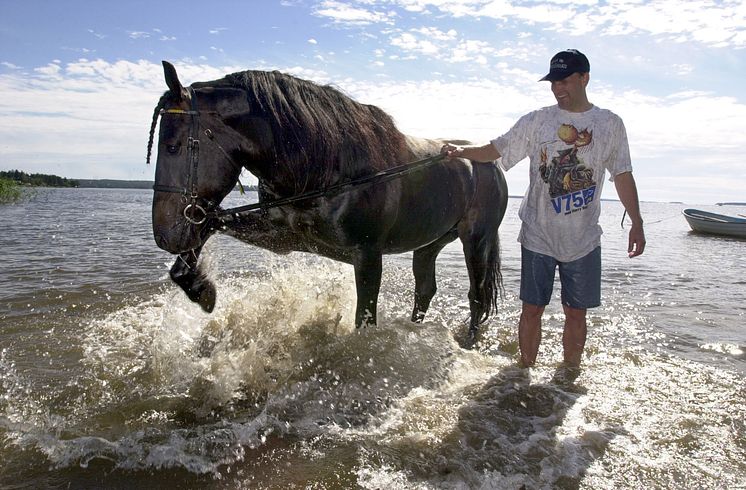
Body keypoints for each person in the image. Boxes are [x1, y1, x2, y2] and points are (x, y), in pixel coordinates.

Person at [441, 49, 645, 368]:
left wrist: (637, 222)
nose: (557, 88)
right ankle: (524, 373)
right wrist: (460, 151)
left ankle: (569, 375)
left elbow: (622, 174)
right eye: (553, 82)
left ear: (584, 78)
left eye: (564, 80)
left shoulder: (609, 124)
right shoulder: (537, 121)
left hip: (584, 239)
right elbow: (495, 150)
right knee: (531, 309)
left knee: (576, 313)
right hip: (538, 235)